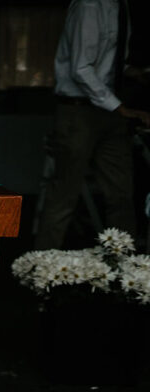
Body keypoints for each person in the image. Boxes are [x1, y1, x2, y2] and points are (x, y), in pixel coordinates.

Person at [35, 0, 150, 250]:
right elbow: (81, 68)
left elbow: (108, 60)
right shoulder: (89, 6)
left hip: (110, 109)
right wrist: (120, 107)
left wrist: (134, 73)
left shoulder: (121, 8)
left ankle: (123, 271)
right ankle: (40, 272)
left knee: (121, 195)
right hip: (79, 112)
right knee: (64, 194)